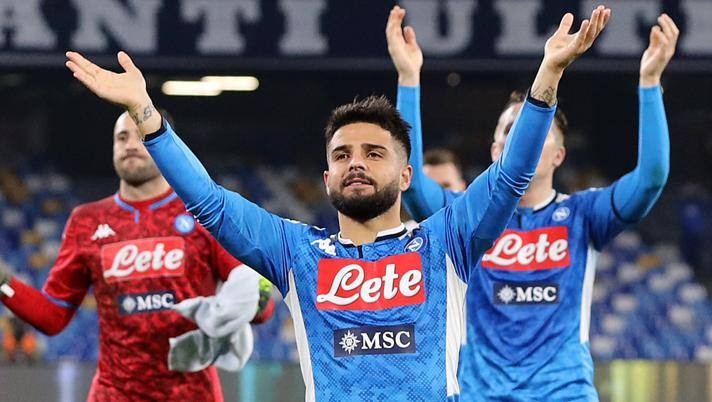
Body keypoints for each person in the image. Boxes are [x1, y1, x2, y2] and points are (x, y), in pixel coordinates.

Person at [65, 5, 609, 400]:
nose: (356, 163)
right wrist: (145, 114)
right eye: (343, 154)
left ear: (407, 174)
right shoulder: (297, 253)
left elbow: (511, 175)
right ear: (326, 176)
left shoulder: (445, 241)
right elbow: (210, 203)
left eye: (374, 153)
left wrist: (548, 76)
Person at [389, 8, 676, 400]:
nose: (524, 136)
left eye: (539, 129)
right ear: (497, 151)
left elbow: (650, 180)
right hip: (483, 393)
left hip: (564, 393)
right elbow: (413, 187)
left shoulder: (583, 216)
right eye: (512, 129)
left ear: (559, 155)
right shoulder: (466, 219)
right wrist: (408, 79)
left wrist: (650, 83)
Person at [0, 111, 274, 401]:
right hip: (114, 394)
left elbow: (260, 305)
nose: (130, 145)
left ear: (166, 145)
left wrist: (256, 298)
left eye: (141, 136)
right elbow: (52, 315)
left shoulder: (204, 212)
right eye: (122, 137)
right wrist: (3, 281)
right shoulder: (86, 221)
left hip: (192, 394)